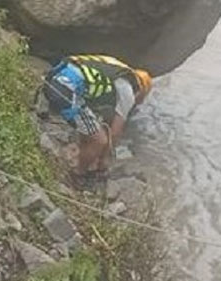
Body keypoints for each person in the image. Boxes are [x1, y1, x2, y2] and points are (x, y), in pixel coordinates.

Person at [40, 55, 152, 187]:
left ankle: (84, 156)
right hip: (66, 89)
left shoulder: (116, 71)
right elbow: (115, 132)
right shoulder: (127, 90)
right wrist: (104, 159)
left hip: (55, 78)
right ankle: (78, 175)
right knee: (100, 140)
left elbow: (89, 116)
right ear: (140, 91)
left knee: (92, 130)